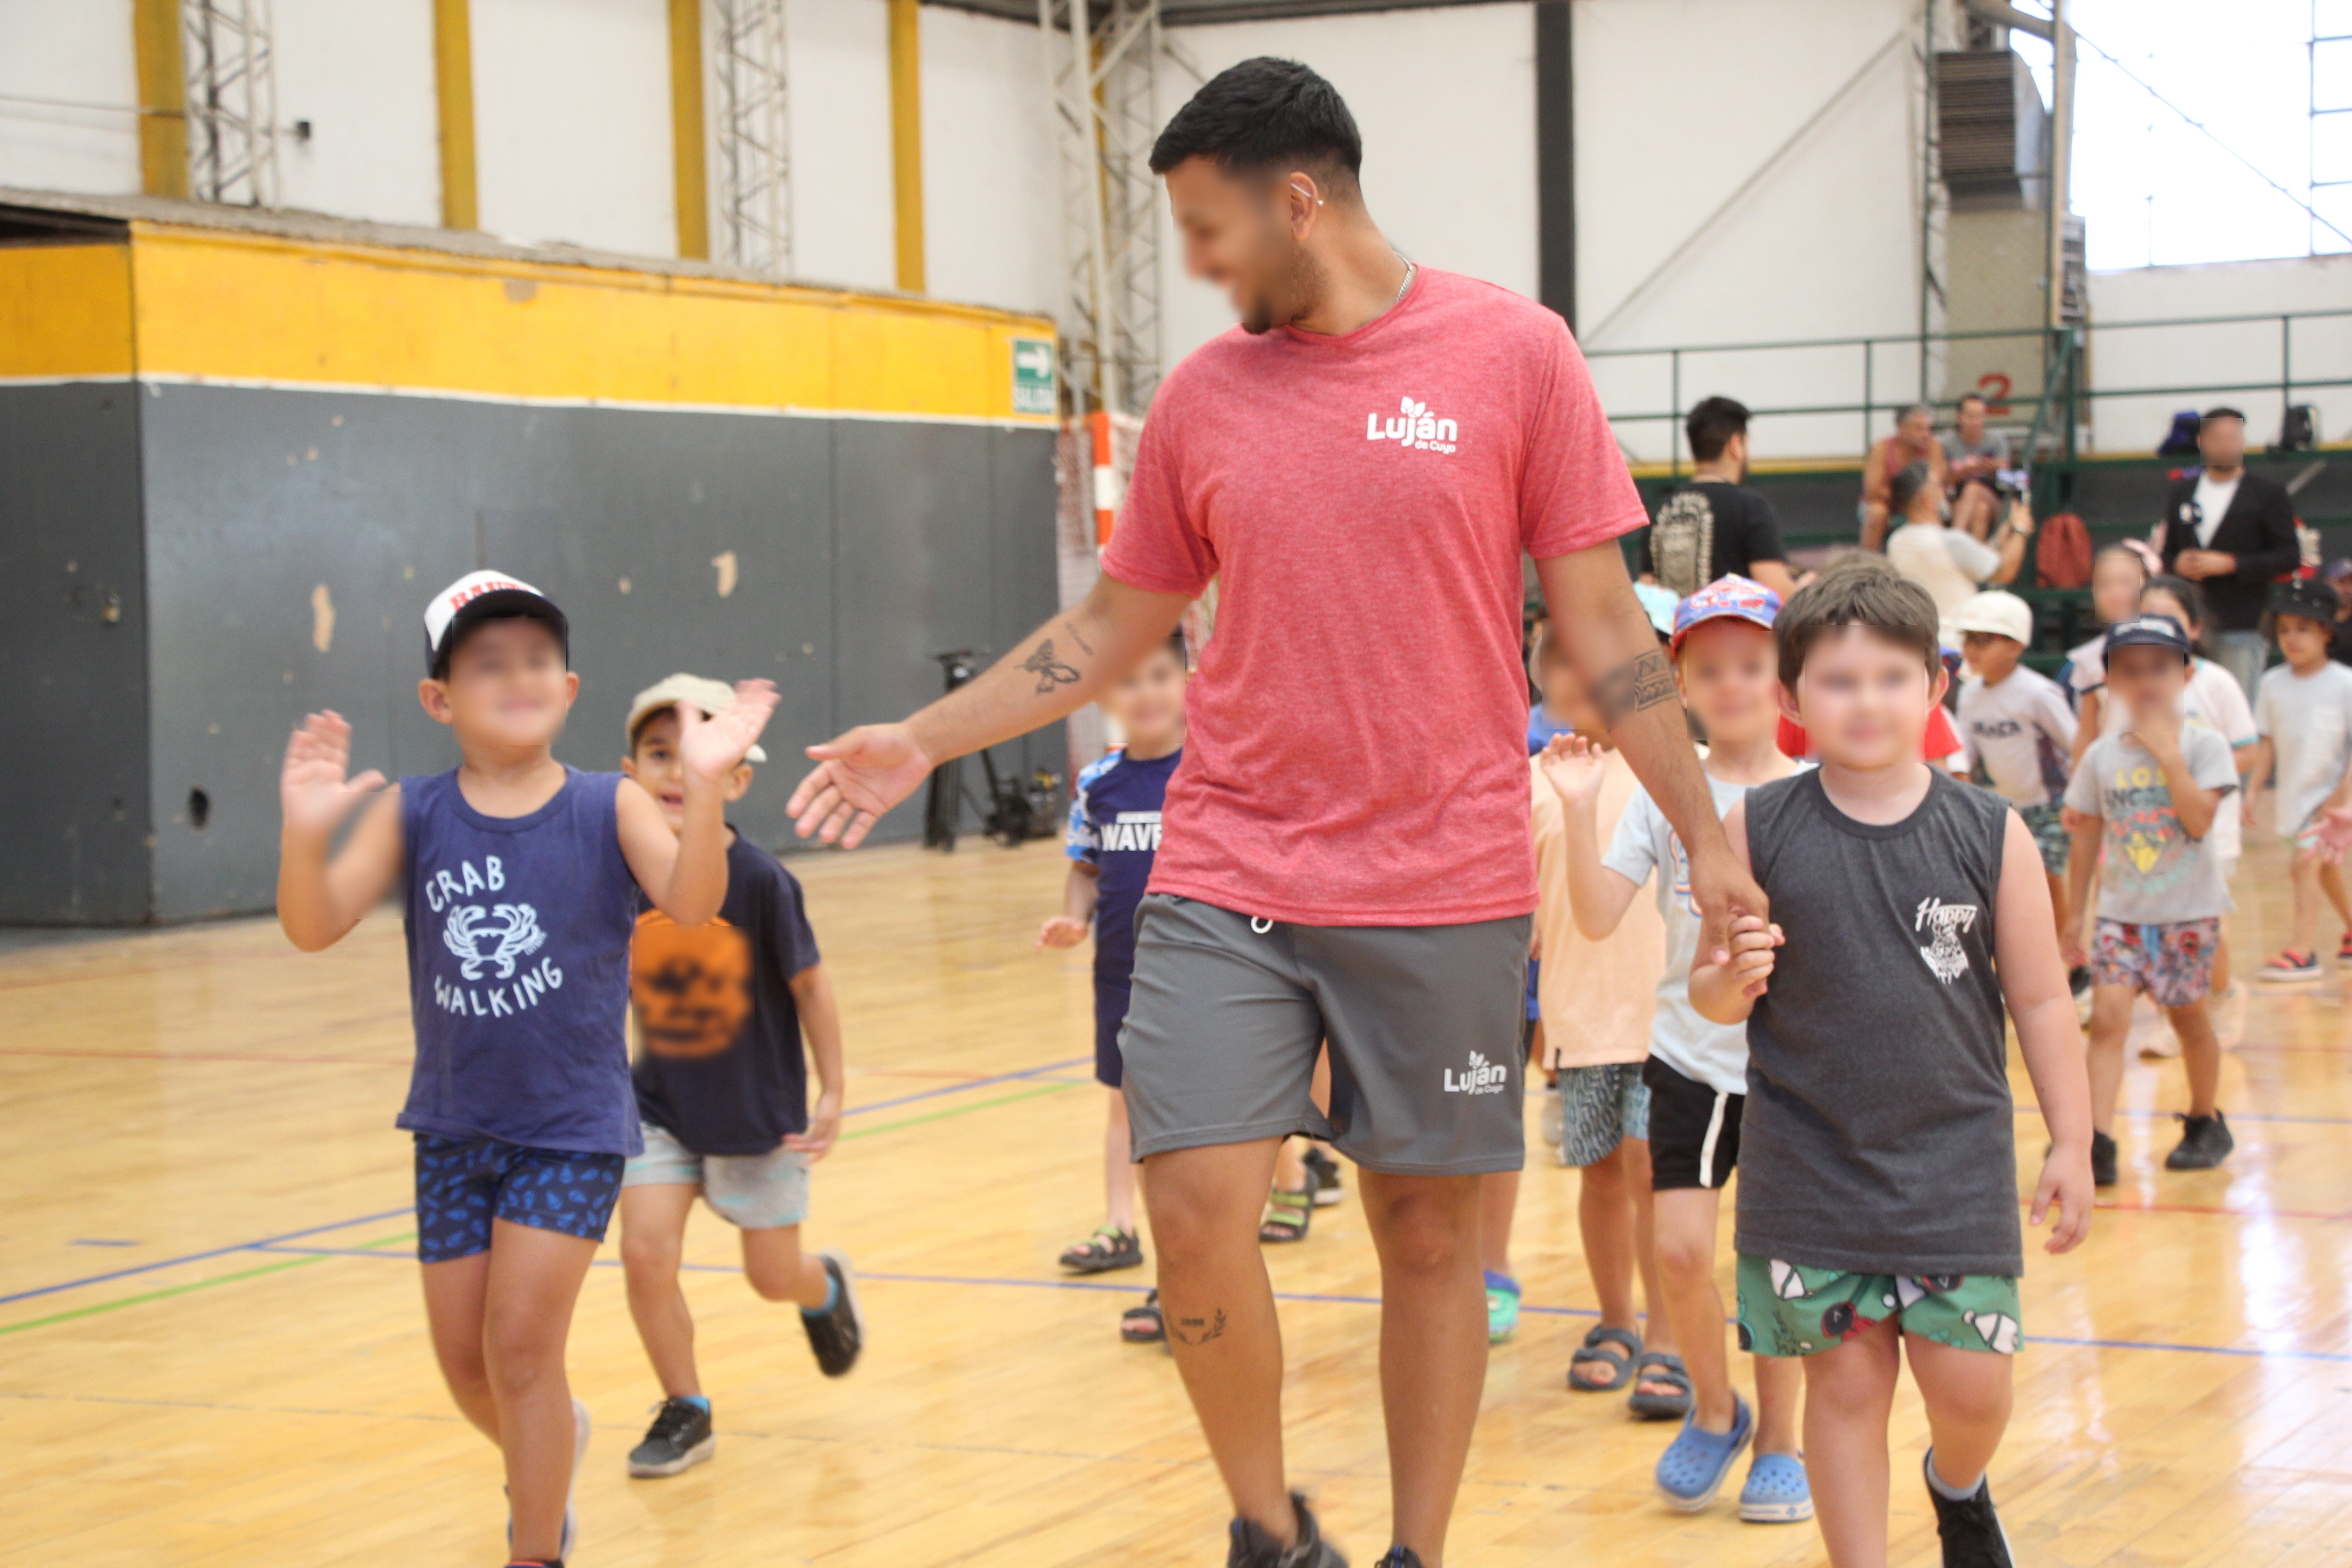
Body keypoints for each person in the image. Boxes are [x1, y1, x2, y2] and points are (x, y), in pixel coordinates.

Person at [780, 57, 1760, 1568]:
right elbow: (1109, 628)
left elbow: (1609, 628)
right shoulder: (1204, 397)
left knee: (1425, 1234)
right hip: (1230, 857)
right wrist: (923, 738)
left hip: (1439, 877)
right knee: (1189, 1211)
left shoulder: (1515, 353)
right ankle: (1266, 1526)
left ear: (1299, 200)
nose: (1197, 264)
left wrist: (1703, 836)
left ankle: (1415, 1550)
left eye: (1208, 229)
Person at [274, 573, 778, 1568]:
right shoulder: (415, 812)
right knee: (470, 1370)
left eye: (537, 659)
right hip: (451, 1128)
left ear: (570, 686)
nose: (518, 677)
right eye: (488, 664)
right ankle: (552, 1444)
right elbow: (312, 925)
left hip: (569, 1131)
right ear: (439, 699)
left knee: (518, 1348)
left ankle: (535, 1550)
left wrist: (703, 786)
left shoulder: (608, 804)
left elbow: (693, 904)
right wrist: (303, 829)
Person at [1692, 567, 2093, 1568]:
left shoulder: (1989, 832)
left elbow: (2042, 999)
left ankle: (1956, 1484)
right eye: (1837, 681)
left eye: (1889, 677)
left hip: (1953, 1163)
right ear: (1792, 697)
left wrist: (2073, 1140)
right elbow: (1707, 992)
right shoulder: (1757, 827)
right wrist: (1730, 980)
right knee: (1845, 1388)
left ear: (1933, 687)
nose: (1865, 701)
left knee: (1972, 1390)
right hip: (1808, 1163)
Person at [1546, 577, 1812, 1525]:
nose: (1731, 684)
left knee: (1775, 1267)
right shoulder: (1664, 796)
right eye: (1710, 668)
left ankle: (1780, 1441)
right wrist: (1579, 808)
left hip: (1790, 1073)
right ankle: (1714, 1409)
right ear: (1680, 685)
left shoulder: (1814, 795)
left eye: (1751, 665)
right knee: (1681, 1250)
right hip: (1690, 1062)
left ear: (1784, 680)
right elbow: (1596, 914)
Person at [613, 676, 863, 1477]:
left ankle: (821, 1286)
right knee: (645, 1253)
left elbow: (810, 985)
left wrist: (832, 1089)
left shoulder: (759, 880)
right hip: (656, 1107)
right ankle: (685, 1407)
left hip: (757, 1111)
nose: (677, 770)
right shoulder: (622, 875)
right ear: (630, 774)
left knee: (770, 1276)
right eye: (659, 754)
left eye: (697, 756)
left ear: (737, 779)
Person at [1518, 615, 1670, 1367]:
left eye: (1596, 662)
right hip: (1581, 1014)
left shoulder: (1678, 774)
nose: (1580, 678)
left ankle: (1669, 1334)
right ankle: (1616, 1321)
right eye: (1563, 663)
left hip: (1669, 1018)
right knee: (1601, 1172)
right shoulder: (1533, 781)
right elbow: (1522, 898)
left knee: (1651, 1168)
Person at [1039, 631, 1189, 1343]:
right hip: (1122, 976)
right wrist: (1074, 918)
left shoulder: (1208, 772)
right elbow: (1085, 868)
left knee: (1186, 1133)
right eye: (1128, 681)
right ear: (1103, 696)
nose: (1147, 692)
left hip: (1199, 981)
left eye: (1160, 675)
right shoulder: (1098, 783)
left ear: (1187, 683)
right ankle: (1120, 1227)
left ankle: (1188, 1273)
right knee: (1124, 1110)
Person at [2060, 612, 2241, 1184]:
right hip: (2121, 916)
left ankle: (2205, 1121)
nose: (2145, 682)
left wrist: (2169, 756)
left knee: (2188, 1019)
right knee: (2108, 1019)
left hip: (2187, 915)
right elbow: (2087, 835)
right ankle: (2098, 1141)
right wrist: (2075, 915)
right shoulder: (2101, 757)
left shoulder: (2205, 746)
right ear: (2111, 681)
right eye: (2130, 670)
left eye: (2159, 668)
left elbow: (2198, 820)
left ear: (2186, 675)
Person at [1952, 590, 2081, 990]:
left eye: (1984, 640)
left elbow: (2075, 744)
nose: (1972, 650)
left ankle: (2070, 965)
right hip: (2004, 808)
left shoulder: (2038, 693)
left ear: (2015, 646)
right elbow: (1966, 756)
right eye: (1968, 639)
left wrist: (2080, 801)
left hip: (2050, 805)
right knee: (2007, 891)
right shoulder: (1970, 694)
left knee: (2048, 879)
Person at [2245, 580, 2352, 982]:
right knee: (2322, 870)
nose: (2292, 638)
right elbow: (2267, 742)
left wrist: (2342, 798)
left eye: (2303, 629)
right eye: (2284, 630)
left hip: (2332, 801)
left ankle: (2302, 951)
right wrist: (2252, 791)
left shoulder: (2345, 683)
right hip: (2294, 798)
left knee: (2304, 866)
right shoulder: (2273, 683)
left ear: (2327, 632)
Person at [2161, 407, 2300, 704]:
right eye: (2218, 438)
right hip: (2190, 620)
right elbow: (2168, 552)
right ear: (2202, 441)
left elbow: (2289, 555)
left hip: (2242, 619)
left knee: (2237, 702)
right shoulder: (2182, 492)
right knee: (2186, 703)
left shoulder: (2267, 493)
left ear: (2243, 441)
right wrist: (2177, 563)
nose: (2226, 445)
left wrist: (2232, 564)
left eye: (2233, 437)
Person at [1640, 397, 1797, 600]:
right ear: (1735, 445)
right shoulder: (1749, 507)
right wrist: (1804, 590)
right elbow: (1776, 592)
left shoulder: (1662, 510)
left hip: (1676, 621)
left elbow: (1647, 590)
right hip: (1731, 621)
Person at [1883, 461, 2030, 647]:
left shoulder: (1896, 541)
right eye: (1939, 487)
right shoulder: (1952, 542)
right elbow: (2004, 573)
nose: (1946, 492)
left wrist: (1999, 540)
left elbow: (1957, 562)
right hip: (1955, 647)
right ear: (1928, 500)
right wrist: (2020, 530)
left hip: (1918, 645)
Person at [2064, 544, 2155, 761]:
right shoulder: (2086, 659)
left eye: (2126, 582)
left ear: (2149, 585)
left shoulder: (2172, 649)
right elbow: (2087, 735)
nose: (2115, 593)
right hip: (2112, 774)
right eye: (2104, 584)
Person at [1861, 403, 1948, 553]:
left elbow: (1935, 485)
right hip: (1888, 503)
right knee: (1876, 512)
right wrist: (1907, 500)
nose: (1926, 434)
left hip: (1921, 503)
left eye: (1928, 429)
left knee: (1936, 508)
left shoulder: (1934, 448)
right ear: (1902, 429)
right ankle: (1868, 559)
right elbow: (1873, 492)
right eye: (1919, 429)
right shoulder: (1881, 449)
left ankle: (1940, 555)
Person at [1940, 392, 2011, 542]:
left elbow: (2009, 480)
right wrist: (1964, 471)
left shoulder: (1997, 441)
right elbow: (1944, 481)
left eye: (1980, 417)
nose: (1976, 422)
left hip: (1993, 496)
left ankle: (1955, 540)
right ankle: (1975, 555)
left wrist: (1994, 468)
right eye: (1971, 417)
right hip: (1959, 498)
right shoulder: (1948, 443)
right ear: (1959, 417)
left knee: (1973, 488)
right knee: (1980, 510)